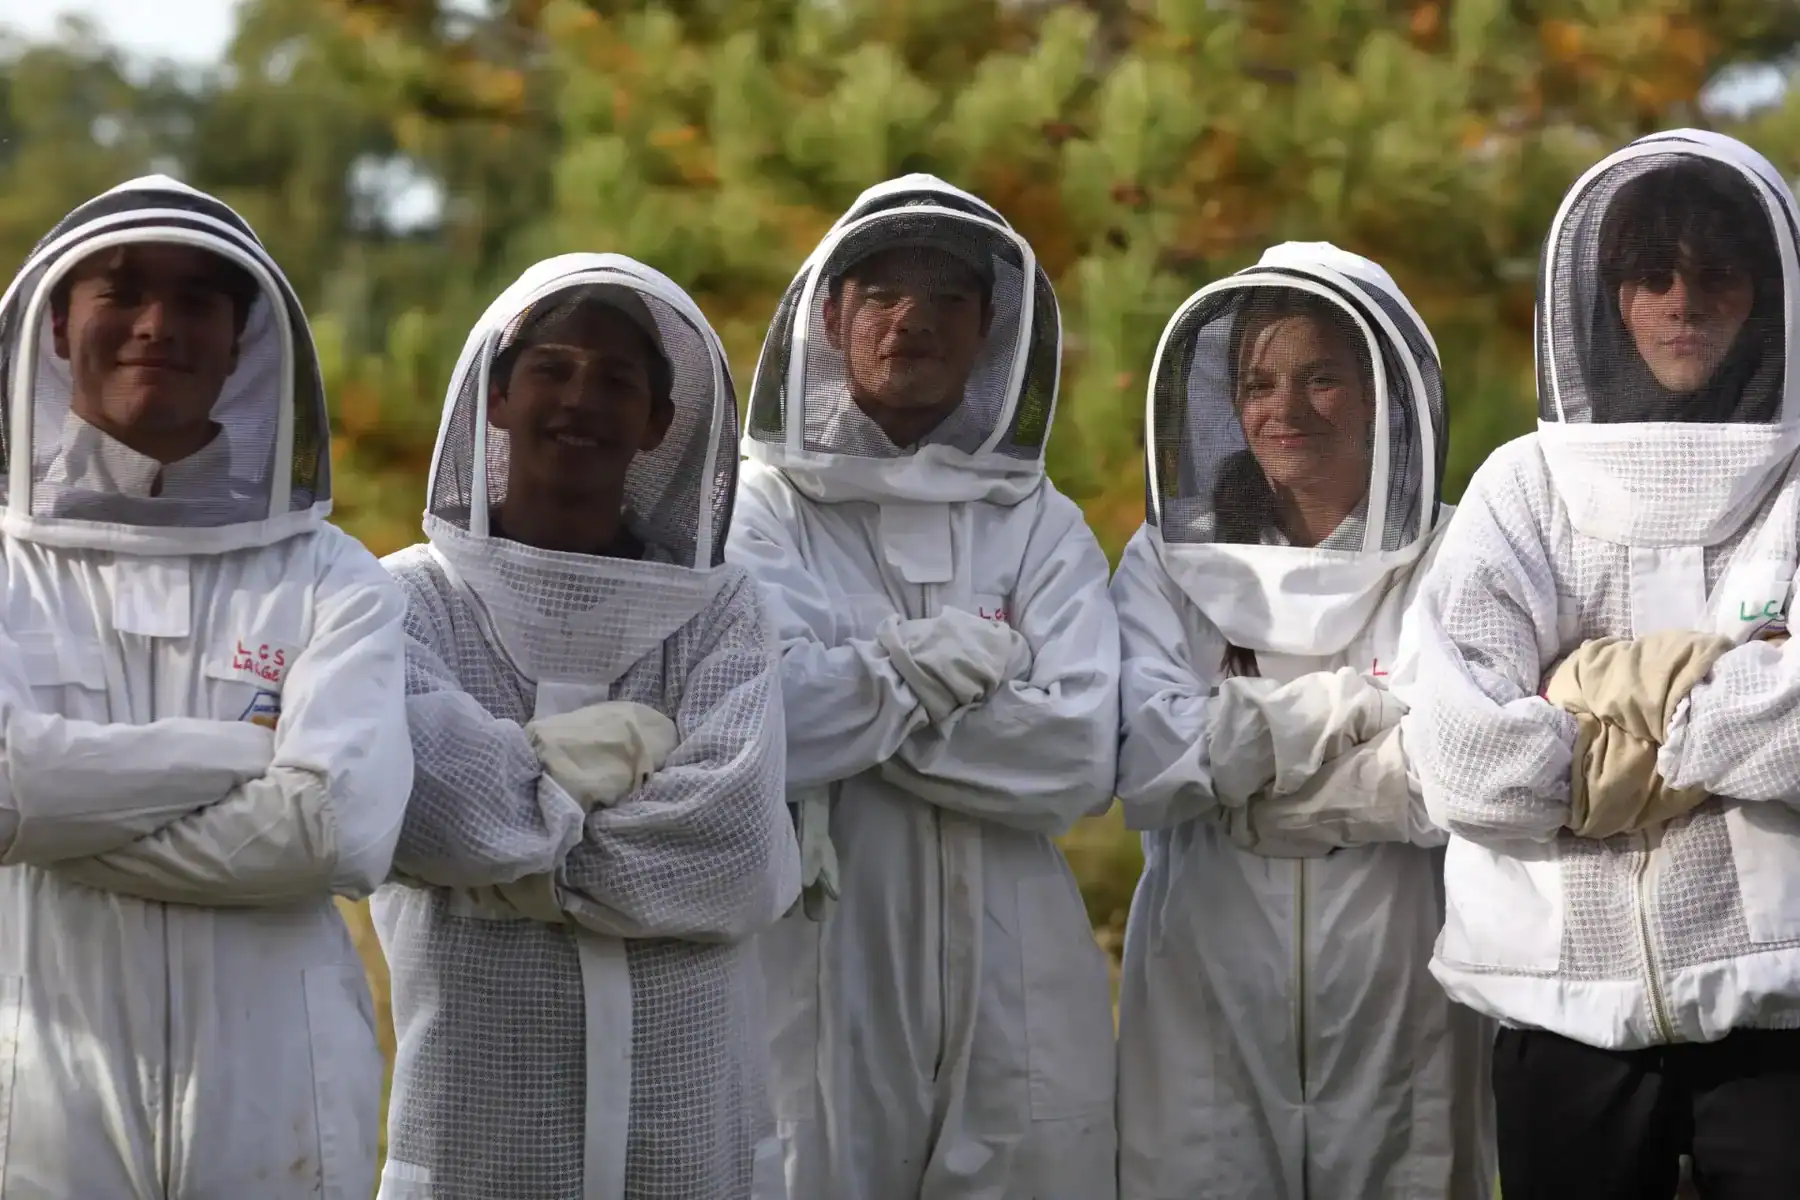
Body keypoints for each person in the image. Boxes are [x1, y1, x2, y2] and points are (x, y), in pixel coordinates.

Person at [0, 176, 412, 1197]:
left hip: (278, 1102)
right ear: (59, 325)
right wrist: (237, 754)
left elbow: (336, 830)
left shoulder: (331, 576)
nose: (158, 324)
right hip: (37, 1097)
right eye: (121, 291)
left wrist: (52, 825)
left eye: (196, 300)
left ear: (241, 341)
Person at [1408, 129, 1800, 1199]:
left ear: (1767, 296)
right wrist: (1725, 701)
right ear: (1609, 296)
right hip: (1560, 1012)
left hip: (1778, 1007)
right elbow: (1462, 759)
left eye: (1719, 275)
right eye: (1652, 275)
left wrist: (1570, 695)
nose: (1684, 303)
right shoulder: (1521, 486)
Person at [372, 254, 800, 1200]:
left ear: (658, 422)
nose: (581, 399)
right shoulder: (406, 602)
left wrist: (502, 850)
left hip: (686, 1131)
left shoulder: (722, 609)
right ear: (496, 396)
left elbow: (731, 850)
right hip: (480, 1118)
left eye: (616, 380)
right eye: (553, 369)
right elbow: (421, 815)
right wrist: (622, 826)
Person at [729, 175, 1121, 1200]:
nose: (914, 319)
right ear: (830, 316)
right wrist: (944, 665)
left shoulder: (1039, 522)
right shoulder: (759, 510)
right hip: (822, 957)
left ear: (991, 330)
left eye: (948, 299)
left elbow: (1079, 755)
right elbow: (775, 722)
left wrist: (864, 682)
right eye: (883, 294)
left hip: (1020, 974)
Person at [1110, 241, 1495, 1199]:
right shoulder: (1167, 562)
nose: (1284, 409)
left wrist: (1251, 776)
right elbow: (1146, 760)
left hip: (1402, 978)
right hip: (1205, 978)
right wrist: (1354, 708)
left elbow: (1459, 769)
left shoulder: (1457, 550)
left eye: (1320, 378)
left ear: (1379, 396)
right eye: (1258, 383)